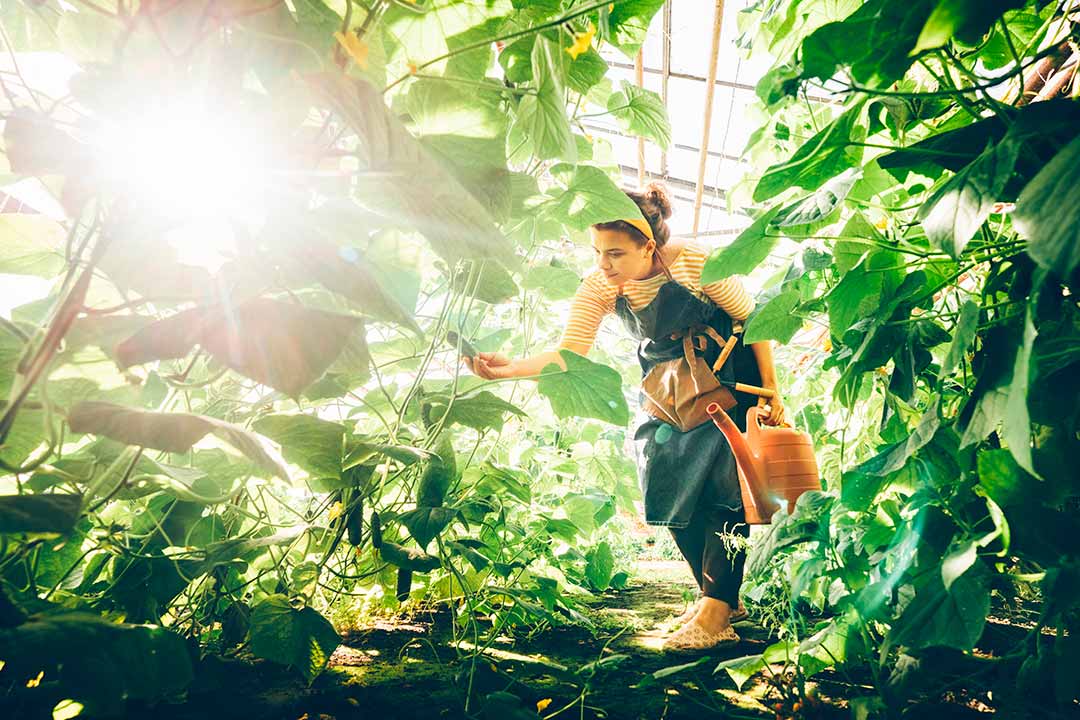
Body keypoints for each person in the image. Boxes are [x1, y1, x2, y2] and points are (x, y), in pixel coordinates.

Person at [464, 183, 786, 651]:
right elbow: (570, 354)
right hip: (665, 387)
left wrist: (770, 390)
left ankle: (716, 609)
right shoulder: (600, 284)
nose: (603, 264)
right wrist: (509, 368)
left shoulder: (695, 262)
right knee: (666, 487)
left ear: (648, 247)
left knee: (722, 492)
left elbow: (755, 320)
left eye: (615, 253)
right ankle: (718, 599)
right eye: (597, 251)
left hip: (728, 379)